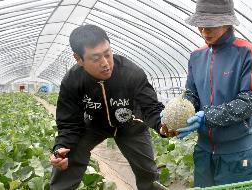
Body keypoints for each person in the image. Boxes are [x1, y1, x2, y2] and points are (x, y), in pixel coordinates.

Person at [49, 24, 170, 190]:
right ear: (79, 59)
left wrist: (161, 126)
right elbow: (69, 124)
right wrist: (60, 148)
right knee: (69, 154)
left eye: (108, 54)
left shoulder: (130, 72)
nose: (106, 63)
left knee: (147, 173)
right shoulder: (72, 81)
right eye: (96, 58)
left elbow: (151, 107)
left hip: (130, 124)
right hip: (94, 125)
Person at [175, 0, 252, 188]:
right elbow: (192, 95)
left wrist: (207, 117)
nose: (204, 32)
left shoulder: (247, 52)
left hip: (237, 155)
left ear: (227, 22)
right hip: (203, 152)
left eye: (210, 26)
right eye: (201, 26)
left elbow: (249, 101)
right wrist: (178, 115)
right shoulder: (196, 57)